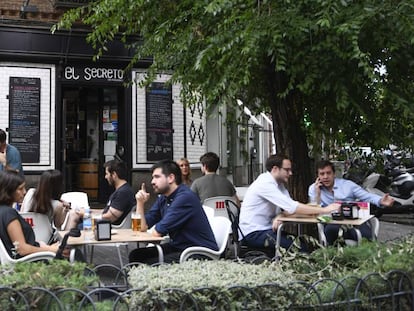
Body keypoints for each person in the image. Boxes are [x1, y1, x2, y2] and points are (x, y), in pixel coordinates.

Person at [238, 154, 340, 252]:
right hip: (253, 234)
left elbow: (288, 209)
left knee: (302, 243)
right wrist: (325, 210)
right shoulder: (265, 184)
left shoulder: (279, 185)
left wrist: (281, 215)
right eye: (287, 170)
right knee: (299, 247)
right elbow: (293, 207)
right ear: (275, 169)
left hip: (265, 230)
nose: (290, 173)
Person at [129, 159, 218, 264]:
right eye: (153, 177)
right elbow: (142, 227)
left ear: (171, 178)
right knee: (137, 255)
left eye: (157, 177)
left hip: (198, 252)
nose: (152, 182)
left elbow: (157, 233)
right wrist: (140, 202)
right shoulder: (164, 197)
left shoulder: (184, 198)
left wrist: (152, 231)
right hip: (180, 247)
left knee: (147, 262)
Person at [308, 160, 394, 245]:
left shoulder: (347, 185)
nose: (325, 177)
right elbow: (315, 211)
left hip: (354, 222)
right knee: (330, 233)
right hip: (332, 223)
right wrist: (318, 194)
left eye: (328, 173)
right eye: (322, 174)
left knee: (367, 239)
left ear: (334, 174)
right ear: (318, 176)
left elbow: (366, 196)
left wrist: (380, 200)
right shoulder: (314, 189)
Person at [0, 170, 59, 258]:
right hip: (30, 261)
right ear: (8, 190)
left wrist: (42, 246)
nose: (24, 192)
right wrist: (50, 249)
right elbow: (22, 249)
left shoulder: (3, 211)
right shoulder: (9, 213)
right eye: (20, 189)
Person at [101, 159, 135, 225]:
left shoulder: (123, 193)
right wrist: (88, 212)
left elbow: (111, 217)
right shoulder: (122, 190)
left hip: (110, 228)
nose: (105, 177)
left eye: (107, 174)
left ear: (114, 174)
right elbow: (107, 211)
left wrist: (89, 216)